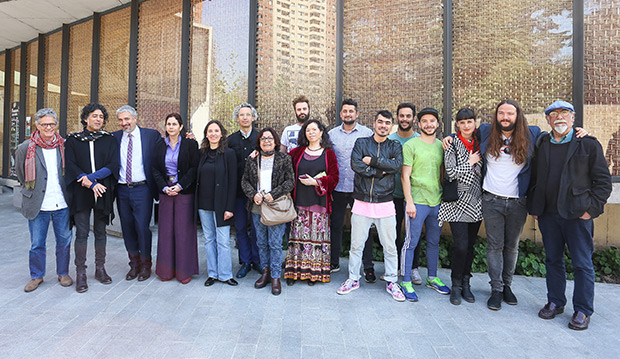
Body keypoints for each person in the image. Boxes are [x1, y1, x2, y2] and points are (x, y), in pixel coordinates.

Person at [443, 99, 589, 311]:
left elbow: (557, 136)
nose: (505, 117)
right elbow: (464, 133)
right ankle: (496, 289)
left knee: (511, 246)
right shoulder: (485, 131)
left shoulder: (533, 133)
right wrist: (448, 137)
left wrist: (578, 132)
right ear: (496, 116)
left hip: (518, 201)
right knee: (494, 246)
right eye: (501, 113)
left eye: (509, 113)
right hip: (491, 199)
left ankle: (507, 287)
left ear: (517, 115)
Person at [528, 100, 611, 330]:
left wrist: (591, 210)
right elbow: (536, 178)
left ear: (573, 118)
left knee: (582, 263)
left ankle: (583, 310)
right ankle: (556, 301)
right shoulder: (543, 142)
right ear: (547, 120)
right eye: (553, 114)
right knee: (553, 260)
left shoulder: (588, 144)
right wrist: (535, 207)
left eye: (564, 113)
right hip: (548, 215)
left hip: (577, 215)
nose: (559, 117)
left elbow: (603, 183)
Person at [336, 110, 405, 301]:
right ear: (374, 123)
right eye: (380, 122)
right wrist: (379, 171)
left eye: (387, 123)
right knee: (356, 245)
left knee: (390, 246)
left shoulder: (395, 145)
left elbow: (396, 166)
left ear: (391, 126)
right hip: (362, 201)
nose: (383, 125)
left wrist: (373, 161)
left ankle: (392, 281)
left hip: (385, 202)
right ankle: (353, 278)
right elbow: (356, 165)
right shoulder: (362, 143)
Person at [15, 108, 73, 292]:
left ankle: (63, 273)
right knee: (37, 243)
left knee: (63, 240)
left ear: (56, 125)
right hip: (37, 203)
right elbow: (21, 174)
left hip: (61, 202)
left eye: (52, 124)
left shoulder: (64, 145)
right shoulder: (26, 147)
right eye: (44, 124)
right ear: (37, 125)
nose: (49, 127)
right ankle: (36, 276)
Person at [65, 103, 119, 293]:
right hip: (81, 191)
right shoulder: (72, 140)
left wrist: (93, 179)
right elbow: (70, 165)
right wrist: (86, 181)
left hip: (102, 190)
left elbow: (113, 164)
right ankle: (81, 273)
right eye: (94, 116)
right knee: (81, 233)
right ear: (86, 118)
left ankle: (100, 269)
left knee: (101, 231)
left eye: (101, 117)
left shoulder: (109, 140)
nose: (98, 119)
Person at [401, 107, 450, 302]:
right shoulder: (411, 145)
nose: (429, 124)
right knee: (411, 242)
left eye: (432, 121)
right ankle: (405, 281)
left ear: (437, 124)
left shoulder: (441, 145)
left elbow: (442, 173)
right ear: (419, 124)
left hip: (436, 201)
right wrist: (409, 202)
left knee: (433, 242)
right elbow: (405, 175)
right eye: (425, 121)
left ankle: (432, 277)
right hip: (417, 202)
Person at [284, 119, 339, 286]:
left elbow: (335, 177)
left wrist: (316, 182)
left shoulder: (328, 153)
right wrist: (259, 153)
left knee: (316, 240)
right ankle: (295, 272)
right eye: (308, 130)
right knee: (297, 238)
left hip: (319, 204)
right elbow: (281, 163)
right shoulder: (296, 152)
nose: (311, 133)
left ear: (321, 132)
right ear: (304, 133)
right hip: (299, 203)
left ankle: (313, 274)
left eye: (314, 129)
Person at [437, 108, 483, 305]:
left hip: (477, 201)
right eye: (462, 122)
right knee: (461, 245)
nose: (466, 126)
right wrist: (469, 162)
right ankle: (456, 284)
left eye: (469, 122)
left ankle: (466, 283)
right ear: (457, 125)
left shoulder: (482, 141)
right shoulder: (451, 143)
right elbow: (450, 172)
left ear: (475, 123)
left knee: (470, 245)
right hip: (457, 202)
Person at [241, 128, 295, 295]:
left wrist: (273, 194)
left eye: (270, 138)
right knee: (262, 242)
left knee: (276, 243)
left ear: (275, 141)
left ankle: (276, 277)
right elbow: (245, 181)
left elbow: (290, 182)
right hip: (258, 206)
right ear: (259, 142)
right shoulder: (253, 159)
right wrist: (253, 194)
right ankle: (266, 272)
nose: (266, 141)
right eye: (263, 138)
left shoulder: (284, 159)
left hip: (276, 206)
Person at [328, 98, 376, 281]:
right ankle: (334, 262)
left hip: (360, 189)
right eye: (345, 111)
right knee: (336, 225)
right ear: (341, 114)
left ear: (357, 114)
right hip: (338, 188)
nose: (348, 114)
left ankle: (368, 266)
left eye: (351, 111)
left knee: (365, 228)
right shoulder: (331, 134)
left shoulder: (367, 133)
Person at [113, 105, 162, 282]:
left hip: (143, 189)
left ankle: (146, 266)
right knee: (127, 228)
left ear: (135, 118)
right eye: (120, 120)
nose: (124, 123)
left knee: (142, 227)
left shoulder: (151, 135)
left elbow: (166, 152)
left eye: (127, 119)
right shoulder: (114, 137)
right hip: (122, 189)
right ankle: (134, 265)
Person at [152, 113, 200, 284]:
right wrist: (164, 187)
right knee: (165, 233)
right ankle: (166, 271)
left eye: (174, 124)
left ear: (180, 127)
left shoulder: (190, 144)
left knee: (183, 233)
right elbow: (155, 170)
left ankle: (183, 272)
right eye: (168, 124)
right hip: (166, 193)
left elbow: (194, 168)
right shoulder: (159, 146)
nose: (171, 127)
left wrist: (180, 186)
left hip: (184, 192)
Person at [196, 120, 238, 287]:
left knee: (223, 240)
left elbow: (233, 182)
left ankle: (226, 274)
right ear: (206, 134)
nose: (213, 134)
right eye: (210, 131)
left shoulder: (229, 154)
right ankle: (212, 273)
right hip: (203, 203)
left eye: (216, 131)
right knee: (209, 239)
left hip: (222, 204)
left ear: (221, 133)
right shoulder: (202, 153)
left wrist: (230, 207)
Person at [387, 102, 421, 282]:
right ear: (397, 117)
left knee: (413, 233)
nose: (405, 119)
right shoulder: (390, 140)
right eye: (402, 116)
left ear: (414, 118)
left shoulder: (420, 139)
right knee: (393, 232)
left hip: (414, 196)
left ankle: (413, 267)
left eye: (408, 116)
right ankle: (394, 267)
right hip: (392, 194)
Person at [228, 103, 261, 278]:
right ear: (237, 118)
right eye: (242, 115)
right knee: (240, 228)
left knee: (256, 228)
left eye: (248, 114)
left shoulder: (261, 139)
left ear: (253, 118)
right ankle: (245, 261)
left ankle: (257, 260)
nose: (245, 117)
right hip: (237, 193)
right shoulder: (230, 140)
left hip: (256, 193)